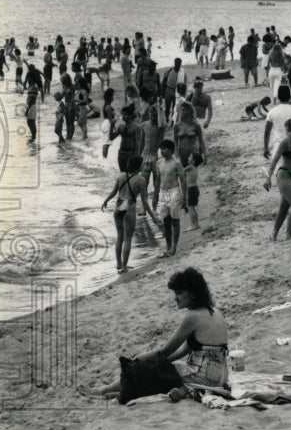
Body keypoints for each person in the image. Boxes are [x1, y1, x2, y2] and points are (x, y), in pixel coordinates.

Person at [77, 268, 230, 398]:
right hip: (220, 376)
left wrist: (141, 360)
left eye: (179, 293)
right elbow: (183, 351)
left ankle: (105, 390)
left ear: (193, 293)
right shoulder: (213, 310)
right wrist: (156, 363)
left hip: (203, 376)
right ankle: (117, 391)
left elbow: (165, 351)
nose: (175, 298)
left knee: (149, 370)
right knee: (159, 368)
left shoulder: (192, 317)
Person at [101, 153, 157, 273]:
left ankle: (118, 264)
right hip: (129, 208)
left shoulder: (121, 176)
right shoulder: (141, 180)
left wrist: (105, 201)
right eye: (142, 164)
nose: (143, 166)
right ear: (137, 166)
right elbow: (145, 202)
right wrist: (153, 217)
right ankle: (125, 266)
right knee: (128, 238)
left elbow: (114, 191)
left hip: (118, 207)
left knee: (119, 237)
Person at [152, 139, 188, 257]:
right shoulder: (159, 163)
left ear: (171, 150)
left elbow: (183, 180)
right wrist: (155, 196)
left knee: (175, 220)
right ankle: (168, 247)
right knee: (166, 221)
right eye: (161, 149)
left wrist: (184, 198)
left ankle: (174, 247)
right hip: (163, 192)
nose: (162, 151)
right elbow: (157, 180)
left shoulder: (176, 163)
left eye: (164, 149)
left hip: (174, 191)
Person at [173, 101, 207, 168]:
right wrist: (176, 157)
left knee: (191, 175)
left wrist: (205, 155)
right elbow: (175, 143)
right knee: (182, 175)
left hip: (193, 153)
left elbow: (201, 141)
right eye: (181, 110)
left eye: (185, 110)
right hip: (181, 153)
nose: (182, 112)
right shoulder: (177, 126)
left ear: (189, 111)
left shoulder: (196, 125)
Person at [183, 152, 202, 231]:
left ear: (193, 161)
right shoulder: (194, 168)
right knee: (193, 208)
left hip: (191, 189)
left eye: (190, 157)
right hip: (195, 188)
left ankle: (192, 225)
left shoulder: (190, 167)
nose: (188, 157)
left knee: (190, 208)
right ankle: (196, 224)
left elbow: (181, 171)